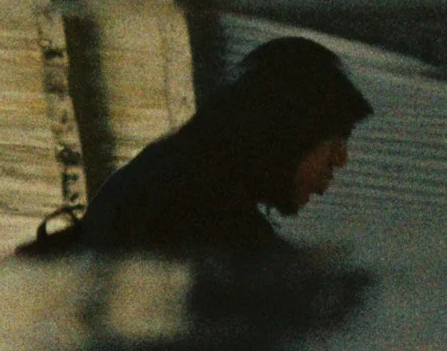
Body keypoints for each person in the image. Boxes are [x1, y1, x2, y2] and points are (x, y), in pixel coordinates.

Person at [32, 37, 372, 255]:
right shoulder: (206, 208)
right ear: (289, 135)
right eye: (333, 139)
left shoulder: (176, 169)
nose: (341, 160)